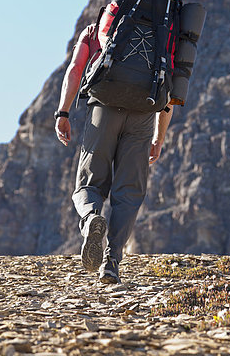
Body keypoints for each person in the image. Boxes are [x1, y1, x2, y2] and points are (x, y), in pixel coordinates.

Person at [54, 21, 174, 284]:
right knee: (129, 192)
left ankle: (92, 219)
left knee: (89, 183)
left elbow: (75, 69)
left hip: (104, 108)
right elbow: (170, 92)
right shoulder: (164, 31)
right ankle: (111, 262)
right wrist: (159, 136)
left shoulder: (98, 27)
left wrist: (63, 112)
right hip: (144, 113)